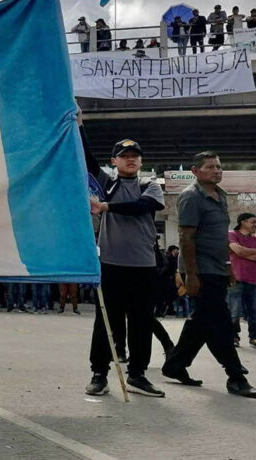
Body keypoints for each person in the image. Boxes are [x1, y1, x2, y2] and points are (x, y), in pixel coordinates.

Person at [161, 152, 256, 398]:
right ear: (195, 171)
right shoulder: (191, 197)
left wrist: (228, 266)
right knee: (220, 322)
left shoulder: (221, 196)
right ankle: (235, 375)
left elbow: (219, 237)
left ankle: (175, 365)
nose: (217, 170)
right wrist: (191, 275)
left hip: (217, 268)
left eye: (219, 166)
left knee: (202, 322)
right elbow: (186, 237)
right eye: (210, 167)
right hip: (201, 270)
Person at [82, 127, 166, 398]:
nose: (131, 159)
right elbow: (86, 158)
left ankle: (138, 375)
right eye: (124, 156)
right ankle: (99, 374)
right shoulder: (106, 184)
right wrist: (80, 125)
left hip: (143, 265)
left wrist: (106, 207)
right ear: (114, 161)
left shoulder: (149, 185)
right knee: (106, 322)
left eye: (135, 156)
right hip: (110, 264)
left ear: (141, 161)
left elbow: (141, 207)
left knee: (141, 321)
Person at [227, 213, 256, 348]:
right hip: (236, 278)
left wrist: (244, 253)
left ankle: (255, 337)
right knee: (234, 311)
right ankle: (233, 336)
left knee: (255, 312)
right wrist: (253, 251)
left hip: (255, 280)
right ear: (243, 222)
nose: (255, 225)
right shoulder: (232, 234)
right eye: (253, 222)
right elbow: (237, 249)